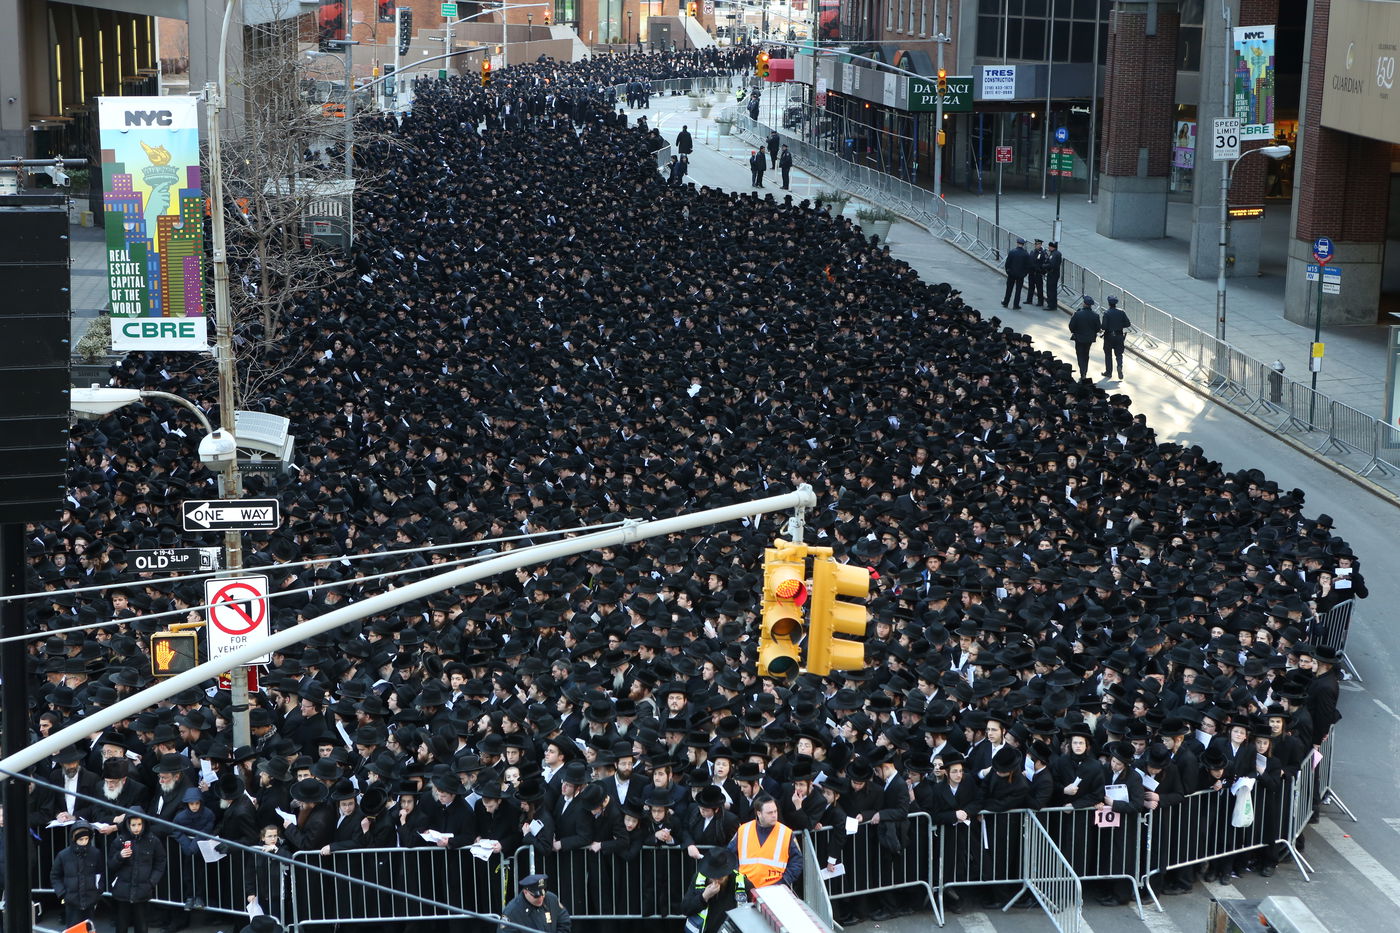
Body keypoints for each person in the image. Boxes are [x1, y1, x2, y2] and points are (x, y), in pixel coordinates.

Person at [109, 807, 166, 933]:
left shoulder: (152, 841)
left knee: (141, 924)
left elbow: (160, 861)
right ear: (128, 825)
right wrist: (120, 856)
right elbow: (111, 865)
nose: (137, 828)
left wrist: (151, 882)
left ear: (144, 824)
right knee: (121, 925)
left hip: (142, 890)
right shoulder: (120, 841)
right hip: (122, 891)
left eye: (139, 824)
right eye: (133, 825)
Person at [728, 795, 802, 890]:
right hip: (745, 887)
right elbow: (729, 855)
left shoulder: (786, 833)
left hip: (775, 888)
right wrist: (737, 875)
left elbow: (797, 861)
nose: (774, 815)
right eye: (770, 813)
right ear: (759, 814)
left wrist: (784, 881)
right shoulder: (743, 830)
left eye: (775, 811)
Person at [52, 821, 105, 929]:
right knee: (74, 928)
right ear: (74, 838)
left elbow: (100, 874)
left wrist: (98, 891)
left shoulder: (95, 853)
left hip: (90, 899)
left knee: (89, 928)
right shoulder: (63, 855)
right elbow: (55, 875)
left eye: (86, 839)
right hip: (72, 900)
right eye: (81, 839)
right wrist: (62, 893)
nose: (84, 842)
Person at [681, 846, 743, 933]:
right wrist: (704, 897)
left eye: (721, 877)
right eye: (713, 876)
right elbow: (685, 909)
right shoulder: (698, 879)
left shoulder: (741, 881)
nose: (717, 880)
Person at [500, 873, 571, 933]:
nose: (541, 898)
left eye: (543, 893)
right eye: (536, 896)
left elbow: (564, 920)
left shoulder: (551, 899)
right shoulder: (512, 912)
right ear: (525, 892)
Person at [1068, 295, 1102, 381]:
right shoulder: (1095, 315)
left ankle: (1082, 372)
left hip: (1079, 338)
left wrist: (1075, 332)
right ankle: (1084, 371)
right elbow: (1098, 328)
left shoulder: (1077, 314)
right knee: (1086, 355)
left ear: (1084, 303)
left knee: (1080, 355)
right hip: (1089, 339)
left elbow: (1071, 326)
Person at [1100, 295, 1130, 379]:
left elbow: (1104, 327)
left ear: (1109, 303)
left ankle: (1108, 372)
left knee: (1108, 355)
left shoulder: (1107, 313)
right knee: (1119, 354)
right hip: (1119, 335)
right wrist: (1119, 325)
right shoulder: (1121, 312)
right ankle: (1119, 366)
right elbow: (1128, 324)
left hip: (1109, 336)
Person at [1002, 237, 1031, 309]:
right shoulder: (1026, 254)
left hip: (1011, 274)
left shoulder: (1012, 252)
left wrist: (1008, 271)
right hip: (1020, 275)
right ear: (1023, 244)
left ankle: (1006, 302)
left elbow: (1007, 263)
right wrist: (1025, 273)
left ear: (1017, 243)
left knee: (1009, 289)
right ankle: (1016, 305)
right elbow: (1027, 266)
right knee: (1018, 290)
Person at [1027, 238, 1047, 306]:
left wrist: (1042, 272)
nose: (1036, 245)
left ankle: (1040, 302)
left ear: (1040, 245)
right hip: (1031, 273)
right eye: (1035, 244)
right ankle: (1029, 300)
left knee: (1039, 288)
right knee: (1031, 287)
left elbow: (1045, 263)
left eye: (1038, 244)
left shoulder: (1043, 253)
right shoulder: (1032, 251)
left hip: (1038, 273)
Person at [1044, 240, 1063, 308]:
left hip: (1053, 274)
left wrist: (1044, 266)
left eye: (1049, 246)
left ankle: (1051, 304)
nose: (1048, 248)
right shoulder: (1055, 253)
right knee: (1052, 289)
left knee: (1051, 289)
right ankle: (1052, 303)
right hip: (1053, 273)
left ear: (1052, 247)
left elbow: (1052, 264)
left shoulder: (1055, 254)